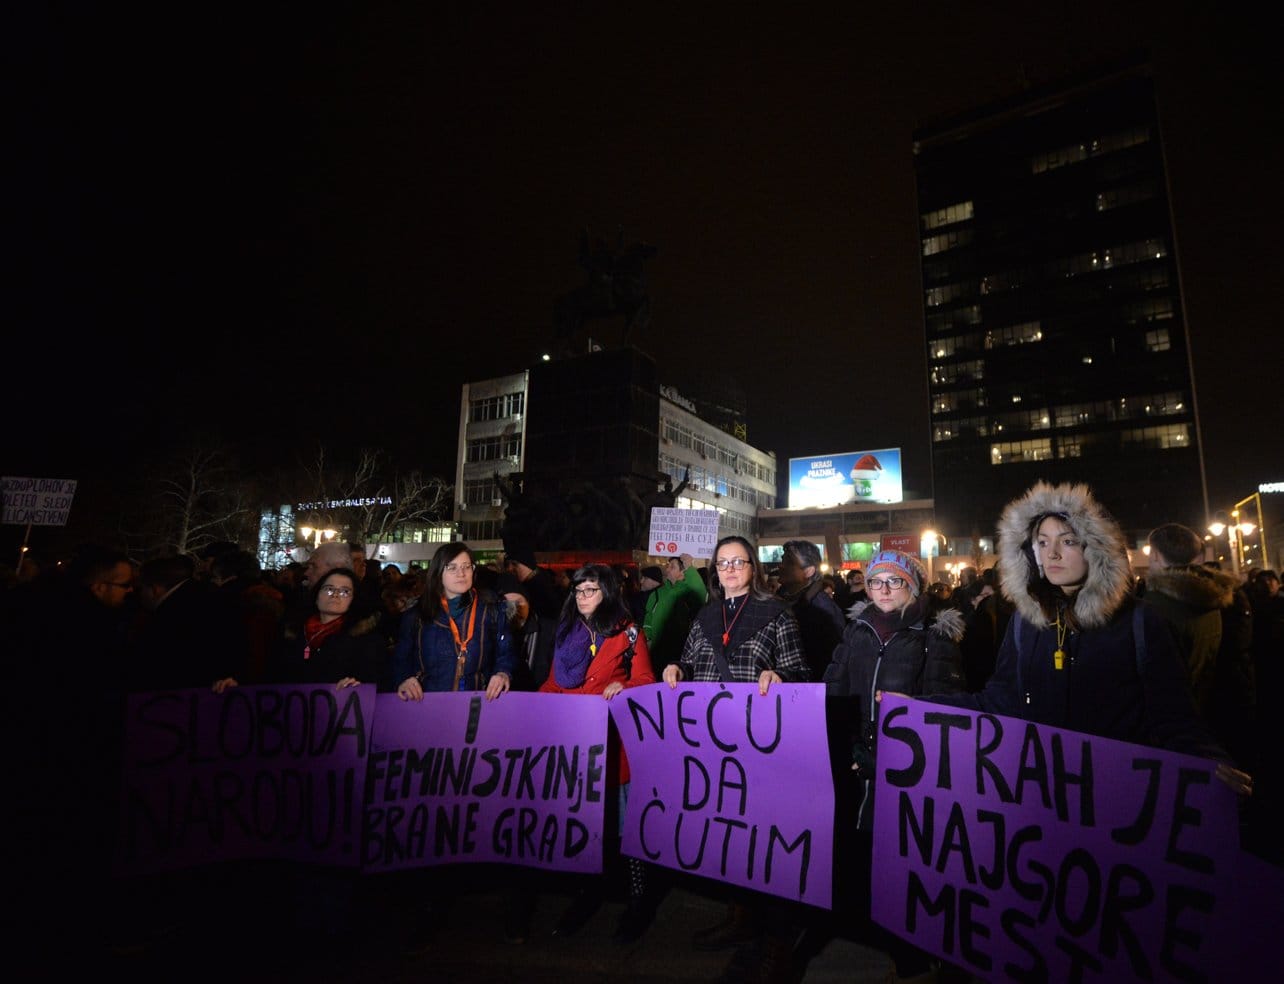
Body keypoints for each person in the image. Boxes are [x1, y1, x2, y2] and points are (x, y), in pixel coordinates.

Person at [908, 482, 1250, 787]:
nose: (1052, 553)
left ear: (1096, 549)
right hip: (1044, 796)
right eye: (1042, 542)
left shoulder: (1140, 621)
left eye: (1068, 541)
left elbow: (1174, 717)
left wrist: (1209, 760)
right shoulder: (1026, 622)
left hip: (1120, 795)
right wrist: (915, 710)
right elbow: (999, 701)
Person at [798, 549, 965, 982]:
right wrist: (839, 739)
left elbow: (946, 705)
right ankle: (853, 924)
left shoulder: (933, 635)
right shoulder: (857, 629)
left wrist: (908, 724)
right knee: (852, 849)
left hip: (907, 767)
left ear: (913, 586)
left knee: (901, 857)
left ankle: (908, 947)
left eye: (894, 581)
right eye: (875, 582)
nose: (883, 590)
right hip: (857, 761)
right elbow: (835, 684)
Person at [661, 535, 807, 980]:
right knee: (730, 834)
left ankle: (776, 939)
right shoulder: (704, 616)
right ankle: (740, 915)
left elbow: (802, 672)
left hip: (761, 747)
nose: (729, 569)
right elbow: (690, 663)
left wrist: (780, 675)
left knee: (767, 841)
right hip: (714, 748)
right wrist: (677, 670)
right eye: (722, 563)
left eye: (737, 561)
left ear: (753, 568)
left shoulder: (778, 614)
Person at [539, 564, 658, 945]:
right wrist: (527, 711)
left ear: (606, 593)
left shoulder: (629, 633)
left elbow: (646, 681)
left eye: (591, 590)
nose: (583, 597)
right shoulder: (566, 632)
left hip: (613, 743)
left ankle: (638, 902)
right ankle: (586, 894)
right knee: (585, 824)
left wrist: (622, 683)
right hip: (575, 744)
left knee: (624, 826)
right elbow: (552, 683)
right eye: (578, 591)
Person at [1141, 522, 1255, 770]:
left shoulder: (1153, 607)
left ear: (1156, 556)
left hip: (1173, 729)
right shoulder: (1219, 597)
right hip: (1216, 716)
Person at [392, 542, 514, 700]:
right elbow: (400, 659)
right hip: (426, 703)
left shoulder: (491, 610)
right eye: (452, 568)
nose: (461, 573)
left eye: (466, 566)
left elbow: (506, 652)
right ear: (438, 573)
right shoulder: (417, 615)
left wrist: (503, 673)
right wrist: (403, 679)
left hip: (476, 704)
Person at [271, 566, 384, 688]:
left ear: (354, 599)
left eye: (345, 591)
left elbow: (373, 682)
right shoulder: (292, 631)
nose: (335, 595)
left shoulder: (366, 640)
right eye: (329, 589)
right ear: (317, 595)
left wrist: (355, 686)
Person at [776, 539, 845, 680]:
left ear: (808, 571)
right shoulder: (778, 601)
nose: (781, 566)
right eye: (782, 560)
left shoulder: (824, 609)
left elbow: (832, 661)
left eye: (789, 563)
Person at [642, 553, 708, 670]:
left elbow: (701, 592)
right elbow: (648, 618)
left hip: (681, 652)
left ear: (682, 573)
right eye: (668, 566)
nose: (667, 569)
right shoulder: (656, 593)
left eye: (672, 567)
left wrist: (689, 567)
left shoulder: (688, 592)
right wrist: (647, 638)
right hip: (657, 653)